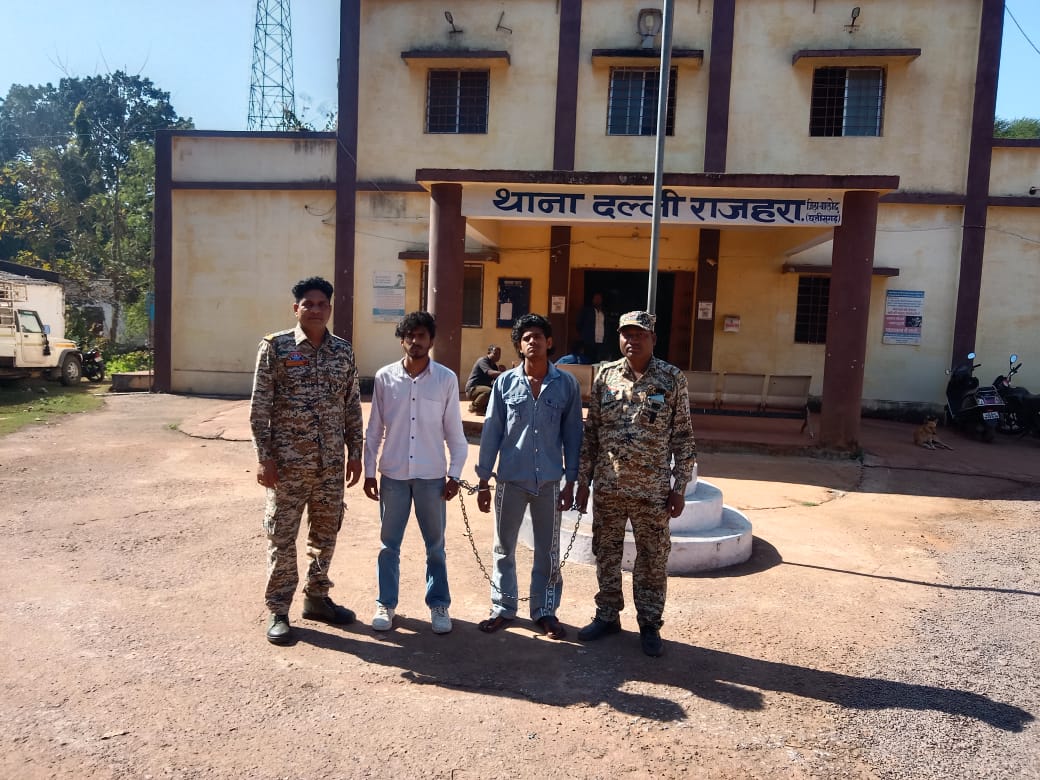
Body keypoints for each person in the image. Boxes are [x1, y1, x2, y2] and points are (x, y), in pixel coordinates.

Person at [250, 276, 364, 645]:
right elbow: (259, 409)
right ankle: (279, 608)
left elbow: (351, 406)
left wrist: (355, 453)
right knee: (282, 536)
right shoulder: (276, 347)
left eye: (321, 304)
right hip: (287, 466)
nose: (315, 310)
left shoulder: (343, 351)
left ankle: (316, 597)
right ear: (295, 308)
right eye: (308, 304)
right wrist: (264, 458)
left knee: (326, 533)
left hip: (329, 465)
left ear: (329, 308)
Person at [575, 310, 696, 657]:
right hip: (609, 489)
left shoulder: (672, 378)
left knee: (652, 559)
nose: (633, 340)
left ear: (653, 339)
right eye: (627, 334)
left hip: (652, 492)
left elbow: (683, 438)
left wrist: (679, 487)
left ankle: (650, 624)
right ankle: (607, 614)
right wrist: (583, 482)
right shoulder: (605, 376)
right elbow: (592, 433)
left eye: (640, 334)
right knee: (606, 554)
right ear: (619, 338)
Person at [474, 313, 584, 639]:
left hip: (549, 482)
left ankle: (545, 611)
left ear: (549, 342)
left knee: (547, 551)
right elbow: (492, 432)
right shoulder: (505, 384)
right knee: (503, 548)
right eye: (525, 338)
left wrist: (572, 480)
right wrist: (483, 479)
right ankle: (502, 607)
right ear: (519, 347)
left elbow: (573, 435)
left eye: (538, 336)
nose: (532, 341)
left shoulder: (566, 385)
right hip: (510, 480)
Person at [363, 311, 468, 634]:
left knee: (435, 547)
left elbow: (455, 433)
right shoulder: (385, 377)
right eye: (409, 335)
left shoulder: (445, 379)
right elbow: (374, 429)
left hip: (431, 477)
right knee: (388, 546)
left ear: (431, 340)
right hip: (393, 475)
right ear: (402, 340)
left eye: (421, 335)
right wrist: (369, 471)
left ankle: (439, 605)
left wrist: (454, 474)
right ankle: (386, 603)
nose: (415, 341)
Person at [465, 344, 504, 414]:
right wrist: (503, 373)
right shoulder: (483, 360)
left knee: (497, 391)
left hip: (482, 388)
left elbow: (496, 380)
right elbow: (490, 372)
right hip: (472, 389)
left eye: (499, 354)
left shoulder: (494, 366)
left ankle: (483, 408)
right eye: (495, 353)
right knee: (488, 391)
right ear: (489, 353)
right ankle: (473, 407)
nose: (498, 356)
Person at [578, 292, 608, 362]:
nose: (597, 300)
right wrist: (585, 335)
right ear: (592, 300)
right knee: (589, 360)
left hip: (601, 341)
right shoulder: (586, 311)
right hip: (589, 341)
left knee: (599, 361)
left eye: (599, 299)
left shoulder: (604, 312)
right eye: (596, 298)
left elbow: (607, 326)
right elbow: (579, 324)